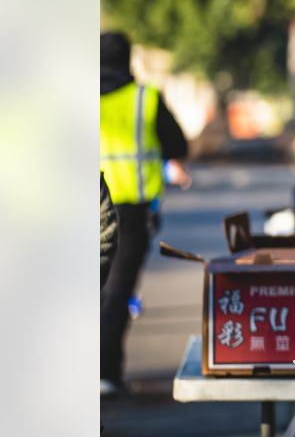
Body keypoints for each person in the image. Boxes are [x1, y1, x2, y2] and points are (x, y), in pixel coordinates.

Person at [100, 31, 191, 397]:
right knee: (116, 289)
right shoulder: (144, 98)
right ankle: (104, 371)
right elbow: (177, 143)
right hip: (129, 210)